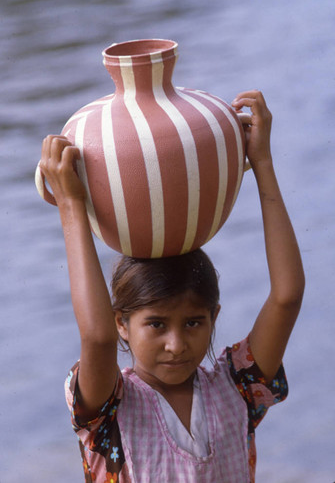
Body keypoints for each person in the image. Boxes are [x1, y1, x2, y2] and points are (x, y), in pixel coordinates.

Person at [39, 90, 305, 483]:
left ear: (215, 317)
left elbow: (287, 296)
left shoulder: (239, 389)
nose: (177, 345)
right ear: (121, 323)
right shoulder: (109, 410)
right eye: (157, 324)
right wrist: (71, 205)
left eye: (194, 323)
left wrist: (262, 162)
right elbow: (96, 339)